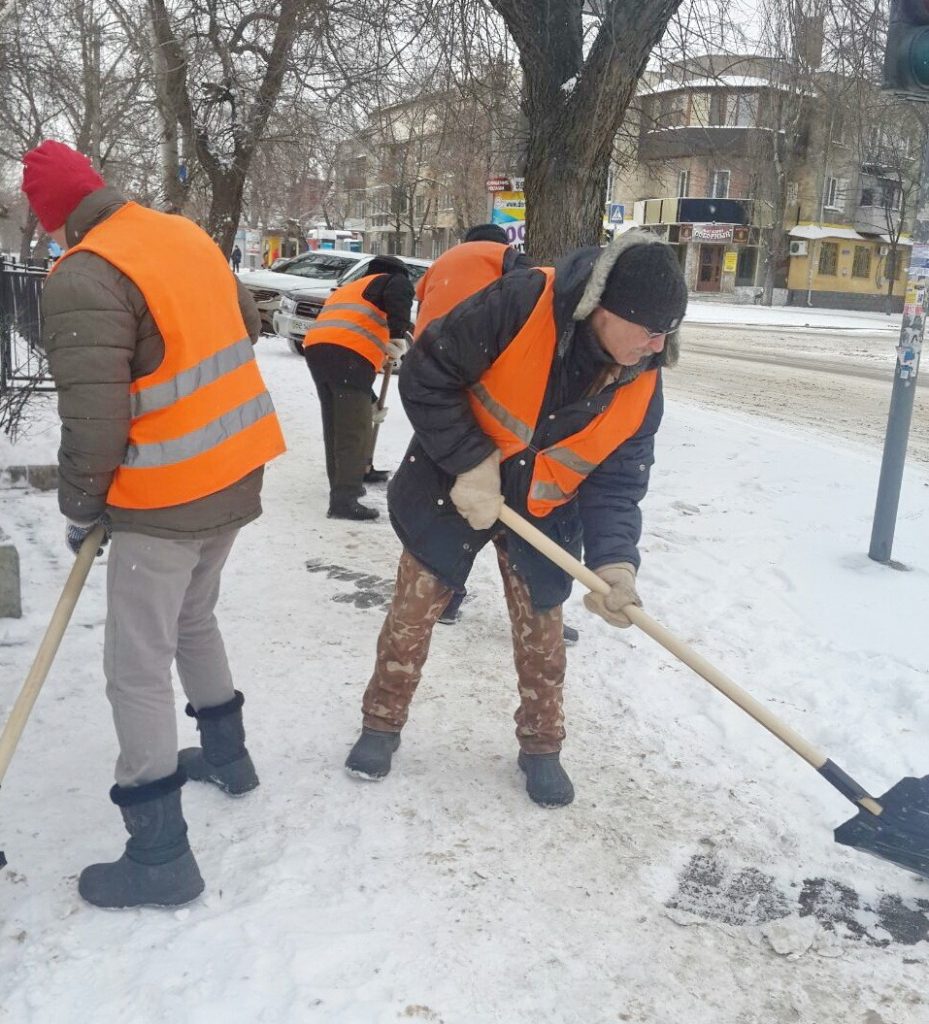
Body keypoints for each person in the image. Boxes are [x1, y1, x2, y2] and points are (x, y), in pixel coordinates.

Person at [22, 140, 286, 908]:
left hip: (166, 493)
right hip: (236, 466)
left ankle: (160, 854)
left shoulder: (85, 274)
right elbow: (240, 320)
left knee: (135, 663)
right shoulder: (178, 231)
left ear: (54, 219)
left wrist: (80, 507)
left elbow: (94, 416)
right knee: (193, 616)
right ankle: (229, 757)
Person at [344, 230, 687, 808]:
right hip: (456, 484)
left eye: (668, 334)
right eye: (649, 330)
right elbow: (428, 372)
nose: (656, 346)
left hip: (545, 508)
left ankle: (542, 748)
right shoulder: (523, 301)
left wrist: (616, 563)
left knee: (543, 638)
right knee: (412, 612)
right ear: (604, 309)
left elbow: (619, 482)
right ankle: (380, 724)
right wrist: (471, 462)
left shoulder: (642, 383)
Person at [411, 223, 576, 642]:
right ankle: (539, 611)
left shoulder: (443, 261)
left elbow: (421, 303)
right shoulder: (506, 262)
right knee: (494, 502)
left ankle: (445, 596)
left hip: (432, 381)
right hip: (479, 384)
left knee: (446, 499)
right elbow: (530, 297)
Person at [303, 254, 414, 520]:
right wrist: (398, 336)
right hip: (348, 354)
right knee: (354, 428)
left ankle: (349, 478)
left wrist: (371, 397)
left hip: (318, 351)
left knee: (336, 422)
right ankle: (345, 498)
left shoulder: (350, 290)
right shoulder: (392, 280)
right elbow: (399, 295)